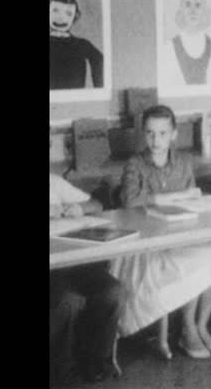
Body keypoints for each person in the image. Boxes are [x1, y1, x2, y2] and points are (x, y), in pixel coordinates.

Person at [109, 105, 211, 360]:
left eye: (162, 133)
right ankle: (187, 327)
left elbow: (192, 201)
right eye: (150, 133)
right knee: (194, 267)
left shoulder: (183, 162)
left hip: (182, 234)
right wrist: (177, 195)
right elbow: (130, 201)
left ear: (173, 134)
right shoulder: (135, 164)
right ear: (144, 134)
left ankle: (201, 324)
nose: (155, 140)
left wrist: (190, 201)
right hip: (148, 244)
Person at [50, 128, 126, 385]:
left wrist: (76, 208)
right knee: (68, 300)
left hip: (70, 265)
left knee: (112, 291)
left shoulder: (53, 182)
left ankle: (96, 364)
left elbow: (97, 205)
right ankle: (62, 373)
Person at [158, 0, 211, 89]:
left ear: (203, 10)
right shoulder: (169, 46)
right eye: (188, 5)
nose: (193, 11)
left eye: (198, 5)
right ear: (181, 9)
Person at [50, 0, 104, 90]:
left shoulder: (81, 44)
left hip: (75, 101)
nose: (61, 18)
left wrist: (99, 90)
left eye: (68, 13)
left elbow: (99, 59)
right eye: (55, 11)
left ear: (75, 16)